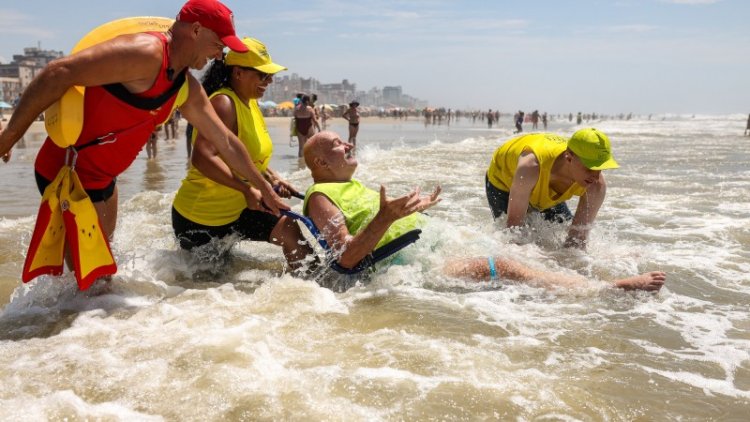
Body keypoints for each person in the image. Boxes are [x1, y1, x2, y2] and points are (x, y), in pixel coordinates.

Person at [0, 0, 287, 282]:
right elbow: (58, 72)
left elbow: (225, 141)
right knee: (92, 285)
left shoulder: (185, 86)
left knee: (97, 278)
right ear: (196, 31)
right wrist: (9, 137)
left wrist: (265, 188)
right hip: (68, 175)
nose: (219, 54)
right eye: (218, 44)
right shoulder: (146, 54)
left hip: (104, 182)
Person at [302, 131, 665, 291]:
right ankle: (600, 289)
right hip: (408, 262)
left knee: (524, 250)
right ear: (320, 161)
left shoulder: (353, 186)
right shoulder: (319, 195)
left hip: (431, 242)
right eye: (337, 144)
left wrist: (416, 212)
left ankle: (591, 271)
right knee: (503, 266)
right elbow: (345, 258)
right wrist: (388, 217)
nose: (348, 143)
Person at [172, 37, 311, 270]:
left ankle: (316, 294)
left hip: (239, 210)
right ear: (238, 72)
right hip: (202, 217)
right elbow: (203, 157)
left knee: (291, 231)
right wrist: (247, 189)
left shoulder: (251, 102)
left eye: (270, 76)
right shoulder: (223, 103)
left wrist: (272, 178)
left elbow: (247, 155)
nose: (269, 81)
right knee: (207, 291)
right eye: (262, 75)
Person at [486, 128, 619, 249]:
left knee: (561, 234)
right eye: (590, 168)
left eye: (600, 168)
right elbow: (513, 231)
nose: (596, 177)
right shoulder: (530, 167)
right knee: (514, 237)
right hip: (503, 181)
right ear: (569, 157)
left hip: (545, 178)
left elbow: (576, 241)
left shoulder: (595, 186)